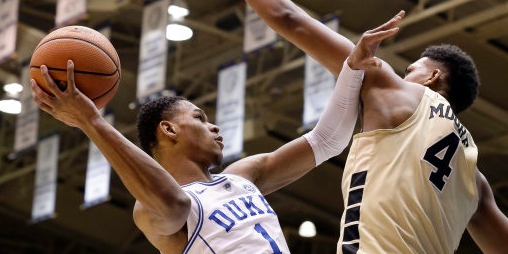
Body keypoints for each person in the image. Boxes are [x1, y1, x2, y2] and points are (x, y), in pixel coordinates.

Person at [157, 0, 508, 254]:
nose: (403, 75)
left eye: (412, 69)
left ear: (433, 77)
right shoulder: (473, 177)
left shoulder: (398, 93)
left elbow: (290, 18)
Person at [30, 18, 401, 253]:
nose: (214, 127)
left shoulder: (244, 177)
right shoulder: (150, 211)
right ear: (169, 129)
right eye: (200, 117)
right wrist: (91, 121)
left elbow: (327, 141)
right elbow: (174, 204)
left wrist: (351, 69)